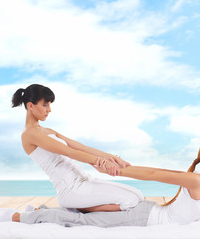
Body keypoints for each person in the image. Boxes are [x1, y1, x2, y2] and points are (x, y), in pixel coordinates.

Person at [0, 138, 200, 227]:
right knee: (81, 221)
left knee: (86, 216)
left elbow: (160, 171)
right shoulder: (196, 181)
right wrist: (118, 170)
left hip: (146, 212)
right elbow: (154, 174)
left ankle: (39, 211)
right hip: (142, 218)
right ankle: (17, 218)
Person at [10, 84, 143, 213]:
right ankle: (80, 208)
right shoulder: (29, 134)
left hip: (84, 180)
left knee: (138, 195)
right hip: (71, 189)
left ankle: (79, 206)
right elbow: (69, 152)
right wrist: (101, 162)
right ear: (30, 106)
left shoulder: (46, 130)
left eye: (50, 104)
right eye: (45, 105)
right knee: (130, 201)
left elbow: (81, 147)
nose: (49, 110)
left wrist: (111, 157)